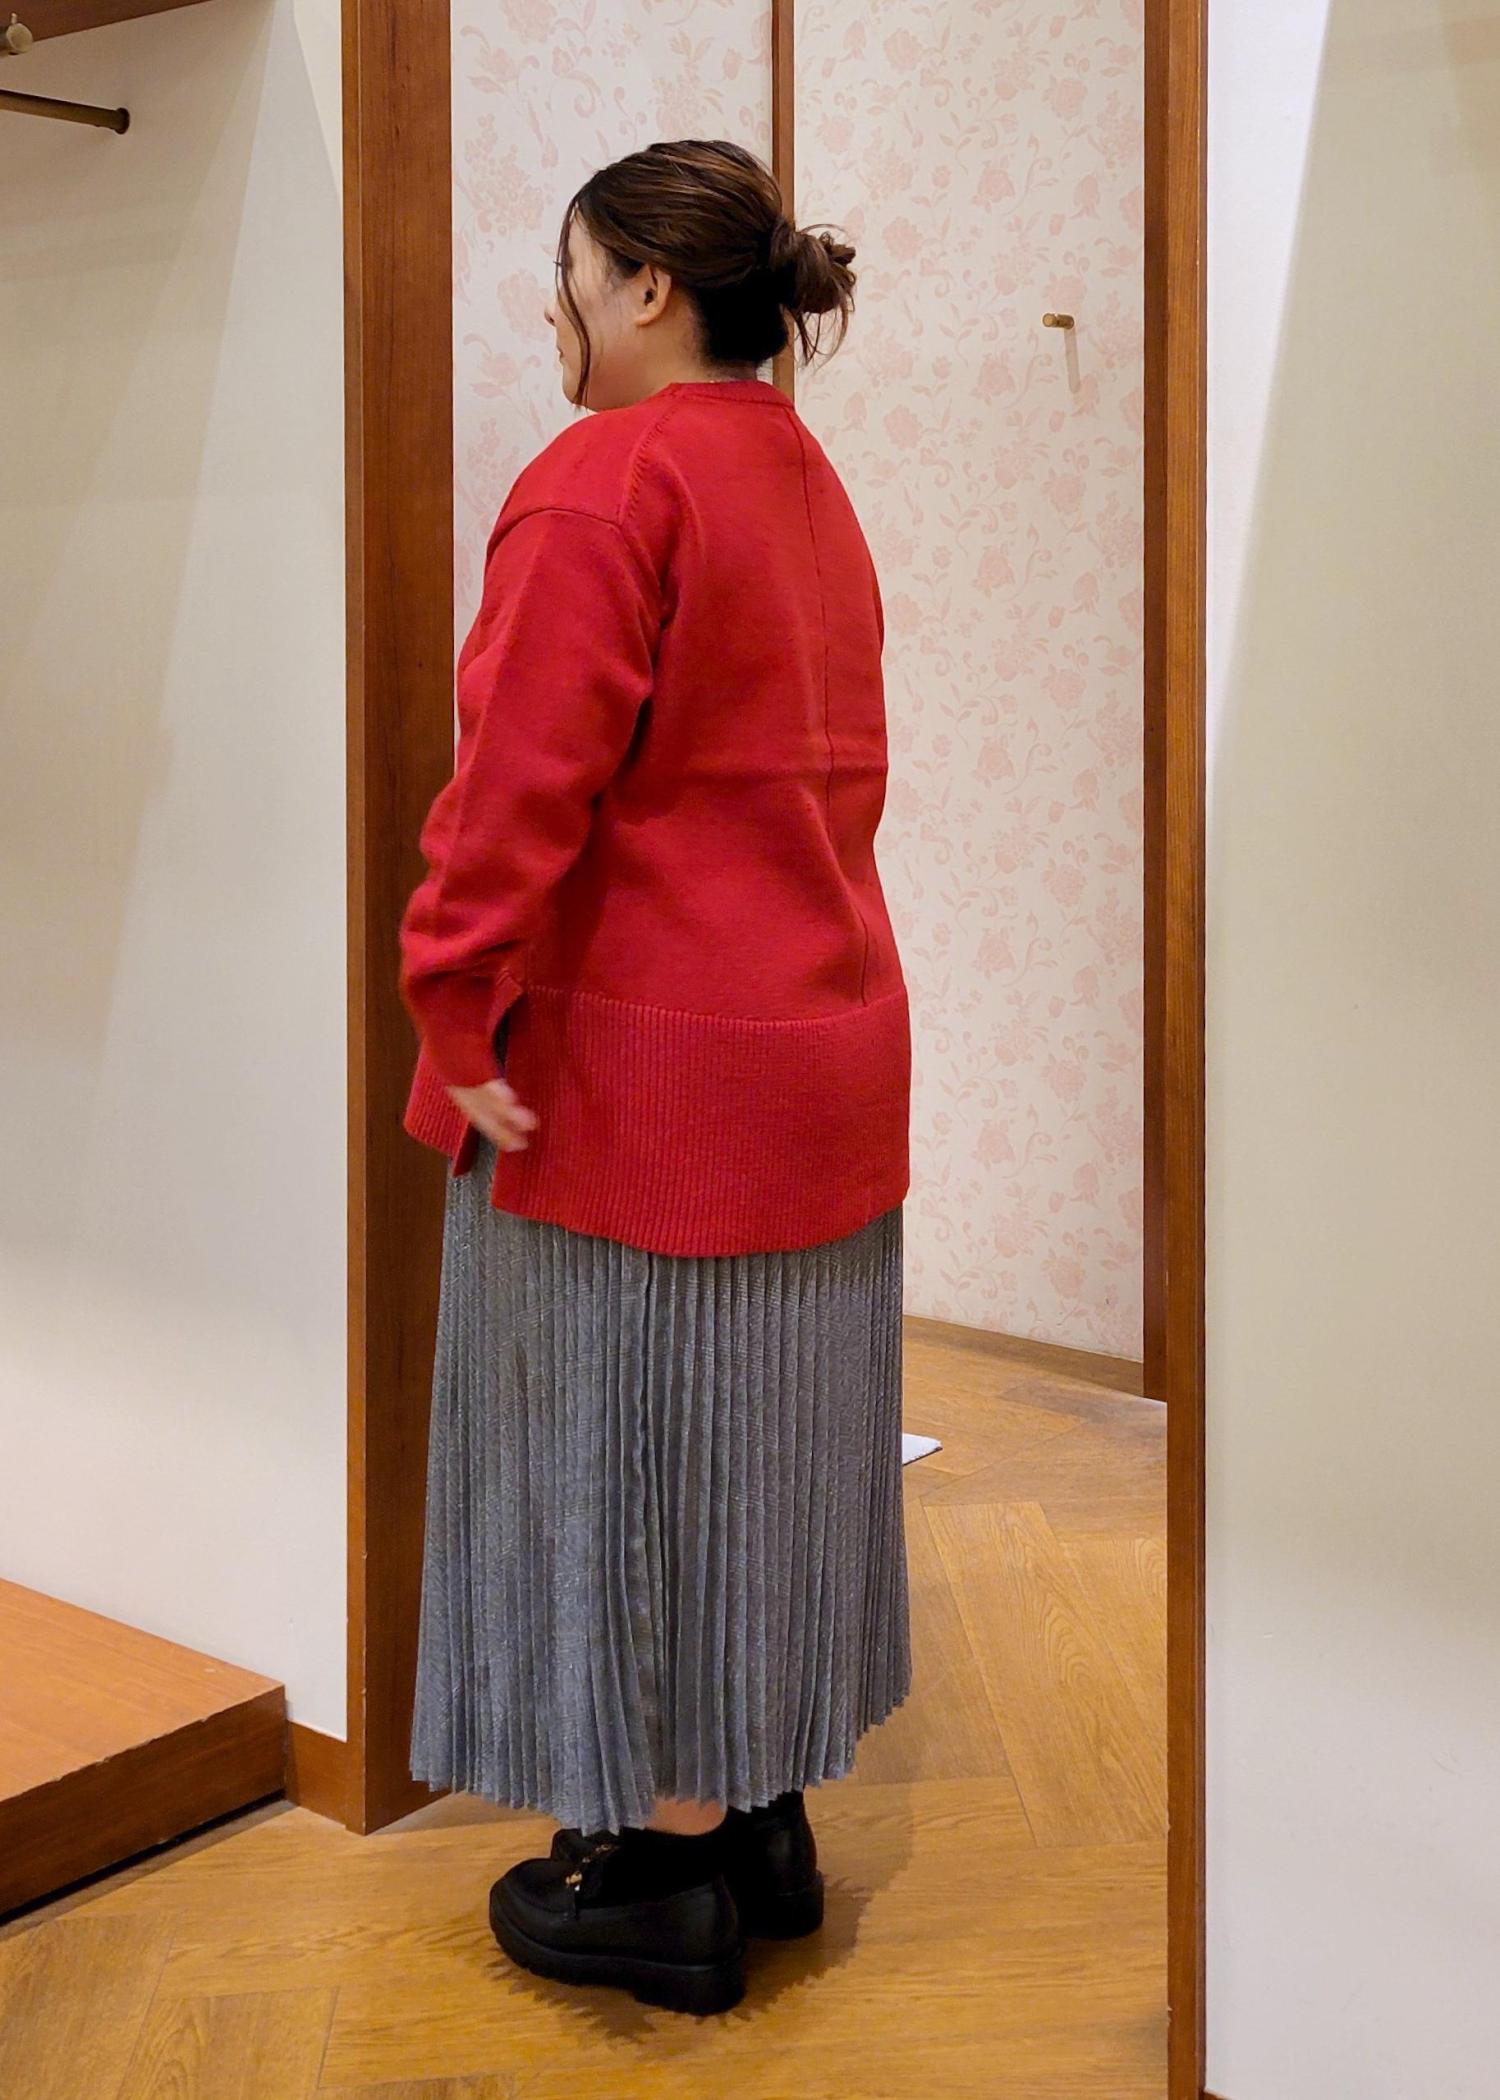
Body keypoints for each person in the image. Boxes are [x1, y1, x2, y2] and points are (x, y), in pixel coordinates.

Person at [395, 138, 913, 2018]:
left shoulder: (605, 478)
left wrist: (450, 1000)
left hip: (639, 1080)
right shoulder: (804, 475)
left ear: (645, 290)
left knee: (625, 1455)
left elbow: (516, 788)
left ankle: (661, 1866)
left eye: (570, 272)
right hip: (825, 1053)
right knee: (768, 1456)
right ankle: (760, 1815)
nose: (552, 308)